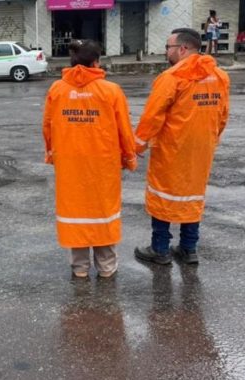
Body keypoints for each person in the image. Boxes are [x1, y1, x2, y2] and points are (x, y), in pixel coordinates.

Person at [42, 40, 138, 279]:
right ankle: (106, 267)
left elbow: (48, 127)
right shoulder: (111, 90)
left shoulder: (57, 89)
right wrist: (129, 157)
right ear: (96, 62)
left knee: (76, 212)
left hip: (70, 165)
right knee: (102, 211)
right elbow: (124, 129)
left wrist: (52, 154)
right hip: (103, 166)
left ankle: (80, 267)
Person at [133, 28, 230, 265]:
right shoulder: (219, 76)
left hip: (172, 149)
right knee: (193, 197)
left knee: (163, 196)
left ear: (182, 49)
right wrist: (211, 140)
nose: (166, 52)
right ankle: (189, 248)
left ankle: (160, 249)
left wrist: (135, 148)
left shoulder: (171, 78)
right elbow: (222, 115)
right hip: (202, 149)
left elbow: (152, 117)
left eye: (168, 47)